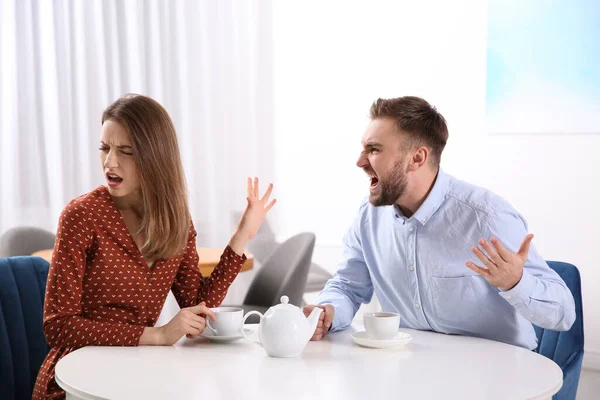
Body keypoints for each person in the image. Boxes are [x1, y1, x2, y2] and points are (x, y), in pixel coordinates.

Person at [33, 94, 276, 399]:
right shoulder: (81, 216)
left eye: (126, 151)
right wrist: (158, 334)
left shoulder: (177, 221)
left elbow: (197, 306)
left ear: (154, 156)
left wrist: (242, 235)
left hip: (139, 372)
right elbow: (58, 327)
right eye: (104, 148)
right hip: (76, 379)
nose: (110, 161)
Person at [303, 96, 575, 349]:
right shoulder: (369, 216)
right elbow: (348, 286)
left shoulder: (487, 217)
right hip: (414, 372)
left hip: (497, 381)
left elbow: (563, 315)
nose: (360, 161)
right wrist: (328, 312)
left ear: (417, 158)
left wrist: (516, 282)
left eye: (373, 149)